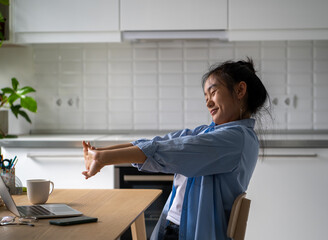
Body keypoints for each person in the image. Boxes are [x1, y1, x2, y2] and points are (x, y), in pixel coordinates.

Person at [82, 58, 270, 240]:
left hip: (186, 232)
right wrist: (101, 153)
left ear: (240, 90)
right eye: (205, 97)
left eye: (213, 93)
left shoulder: (235, 139)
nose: (208, 102)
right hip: (174, 226)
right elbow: (161, 142)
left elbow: (171, 150)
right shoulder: (210, 132)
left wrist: (104, 158)